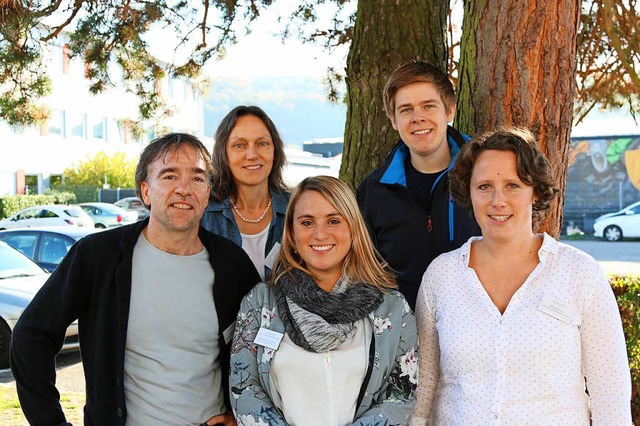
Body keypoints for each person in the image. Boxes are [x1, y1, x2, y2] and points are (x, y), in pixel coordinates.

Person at [11, 133, 261, 425]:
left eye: (197, 178)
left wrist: (240, 416)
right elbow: (31, 337)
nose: (184, 189)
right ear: (145, 191)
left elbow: (263, 354)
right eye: (169, 176)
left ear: (207, 192)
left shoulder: (232, 265)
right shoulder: (98, 257)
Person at [412, 128, 632, 424]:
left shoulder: (579, 274)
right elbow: (425, 384)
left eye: (512, 185)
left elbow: (610, 391)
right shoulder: (442, 276)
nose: (497, 200)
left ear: (536, 191)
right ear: (468, 193)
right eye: (484, 186)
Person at [229, 175, 418, 425]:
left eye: (333, 221)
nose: (320, 234)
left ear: (353, 229)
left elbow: (403, 394)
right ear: (292, 234)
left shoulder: (392, 309)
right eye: (307, 222)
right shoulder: (259, 304)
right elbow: (244, 388)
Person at [357, 61, 480, 310]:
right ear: (393, 120)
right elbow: (363, 272)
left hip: (474, 336)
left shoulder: (483, 178)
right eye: (406, 110)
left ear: (449, 111)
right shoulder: (373, 191)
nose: (417, 118)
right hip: (401, 338)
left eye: (428, 106)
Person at [201, 105, 289, 281]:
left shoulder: (295, 211)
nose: (252, 154)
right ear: (224, 154)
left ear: (274, 151)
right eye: (239, 145)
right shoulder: (202, 214)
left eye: (262, 143)